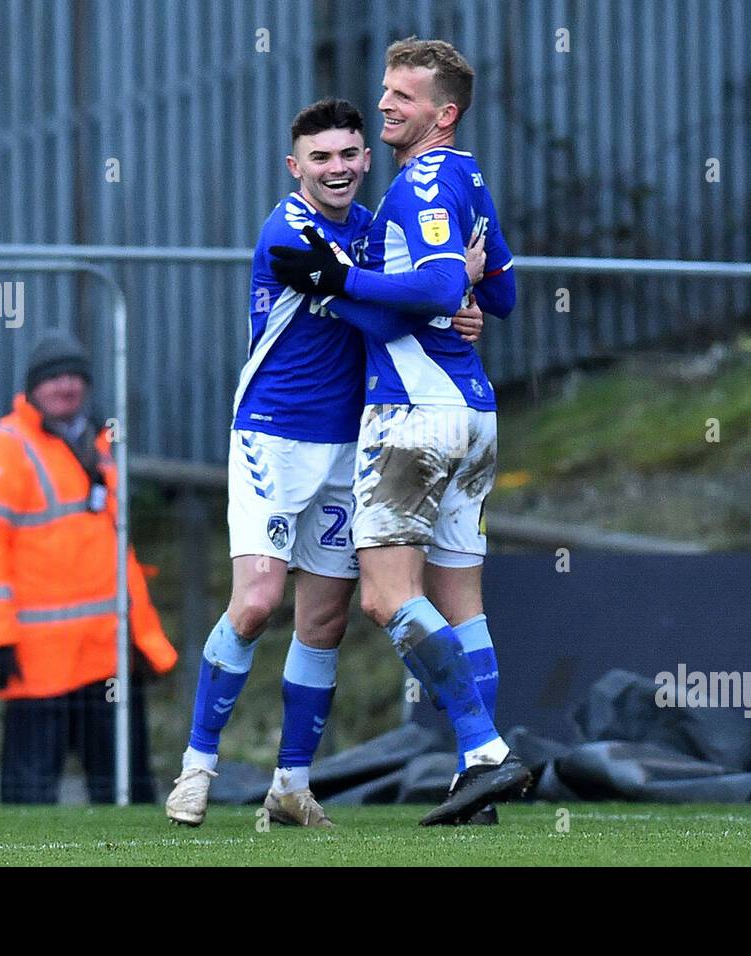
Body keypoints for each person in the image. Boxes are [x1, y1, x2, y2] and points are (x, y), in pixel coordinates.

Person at [164, 99, 485, 829]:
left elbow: (440, 293)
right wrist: (442, 293)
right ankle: (197, 767)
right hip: (273, 436)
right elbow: (375, 314)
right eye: (321, 157)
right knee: (254, 602)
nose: (336, 168)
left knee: (325, 620)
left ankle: (291, 786)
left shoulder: (373, 231)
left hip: (350, 443)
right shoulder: (290, 234)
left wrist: (459, 299)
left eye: (348, 154)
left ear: (366, 159)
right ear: (295, 167)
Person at [270, 38, 522, 826]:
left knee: (384, 598)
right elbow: (499, 289)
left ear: (441, 114)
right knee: (463, 608)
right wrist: (460, 294)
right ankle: (474, 783)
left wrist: (340, 281)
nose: (384, 104)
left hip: (416, 413)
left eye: (402, 97)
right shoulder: (470, 174)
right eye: (385, 90)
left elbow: (445, 282)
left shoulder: (424, 178)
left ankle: (486, 752)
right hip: (472, 414)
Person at [0, 331, 178, 803]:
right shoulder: (4, 448)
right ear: (33, 388)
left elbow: (115, 551)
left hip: (106, 653)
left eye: (75, 376)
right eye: (54, 377)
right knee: (29, 801)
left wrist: (140, 636)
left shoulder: (95, 443)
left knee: (128, 793)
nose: (66, 386)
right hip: (40, 661)